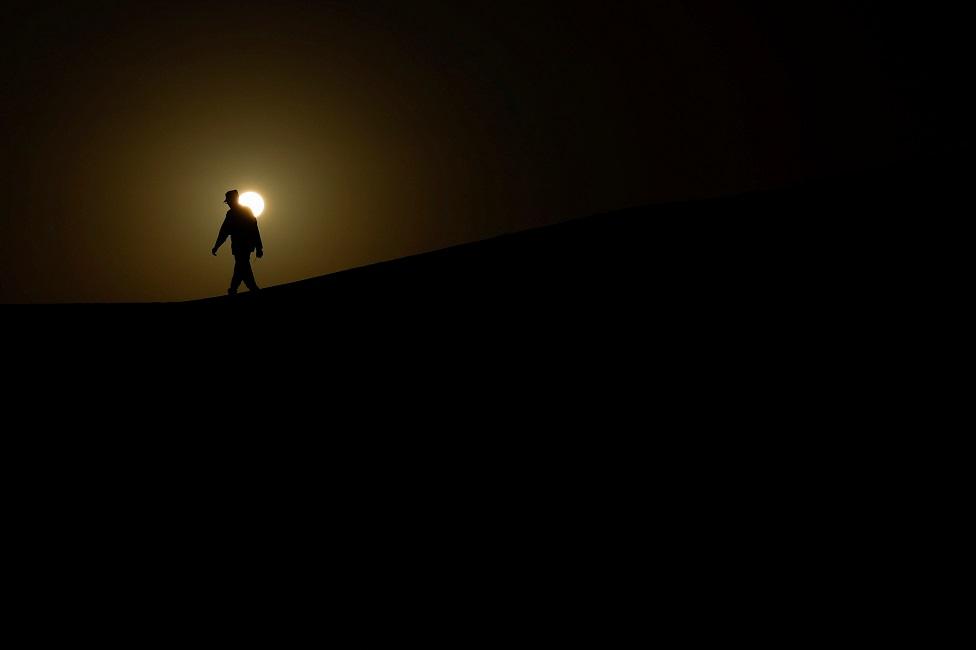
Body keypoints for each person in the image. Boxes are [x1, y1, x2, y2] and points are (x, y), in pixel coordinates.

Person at [212, 190, 263, 294]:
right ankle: (242, 288)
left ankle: (244, 288)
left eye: (229, 201)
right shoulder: (231, 214)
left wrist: (259, 247)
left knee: (242, 266)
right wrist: (217, 246)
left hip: (244, 246)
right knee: (242, 267)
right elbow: (224, 232)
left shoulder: (244, 212)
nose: (228, 204)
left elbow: (254, 229)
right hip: (239, 247)